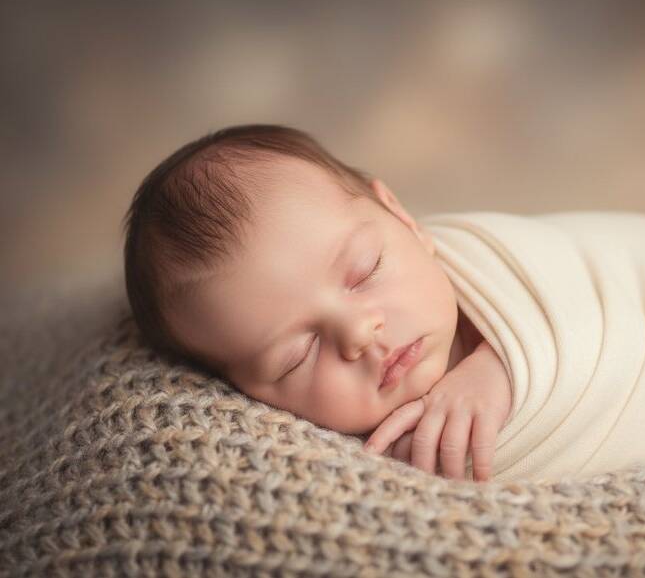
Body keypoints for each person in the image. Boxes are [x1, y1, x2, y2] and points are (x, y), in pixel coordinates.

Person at [123, 124, 513, 482]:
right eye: (298, 355)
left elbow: (572, 286)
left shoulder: (495, 260)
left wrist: (497, 371)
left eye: (365, 271)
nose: (359, 332)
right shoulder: (353, 464)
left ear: (402, 217)